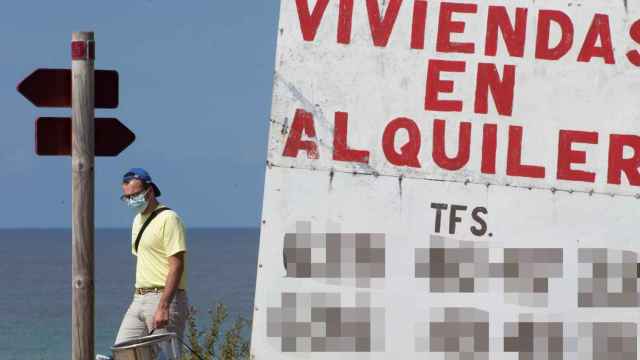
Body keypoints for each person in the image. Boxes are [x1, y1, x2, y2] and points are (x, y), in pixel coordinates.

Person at [113, 168, 189, 355]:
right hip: (139, 297)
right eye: (127, 197)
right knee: (123, 352)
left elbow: (176, 265)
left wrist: (163, 306)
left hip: (164, 298)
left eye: (135, 195)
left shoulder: (169, 218)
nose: (131, 200)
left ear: (150, 191)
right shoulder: (138, 220)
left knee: (166, 356)